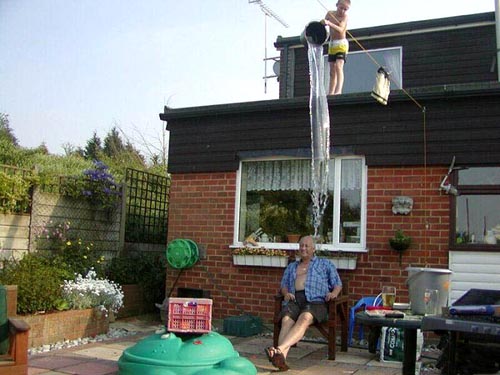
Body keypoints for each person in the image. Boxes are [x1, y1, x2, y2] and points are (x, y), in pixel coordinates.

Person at [265, 235, 342, 371]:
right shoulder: (292, 266)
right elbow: (283, 285)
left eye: (306, 246)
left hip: (316, 301)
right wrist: (285, 293)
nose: (303, 248)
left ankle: (279, 350)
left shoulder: (324, 264)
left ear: (313, 249)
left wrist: (334, 294)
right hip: (295, 299)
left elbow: (337, 284)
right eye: (301, 245)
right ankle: (281, 359)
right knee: (286, 319)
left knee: (305, 318)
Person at [321, 0, 351, 95]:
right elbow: (322, 25)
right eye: (341, 8)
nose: (342, 11)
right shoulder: (330, 14)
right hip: (332, 44)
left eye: (345, 9)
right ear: (337, 5)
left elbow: (341, 29)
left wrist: (329, 23)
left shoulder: (345, 17)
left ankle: (338, 91)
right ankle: (331, 92)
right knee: (332, 70)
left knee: (339, 66)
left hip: (341, 44)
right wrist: (322, 22)